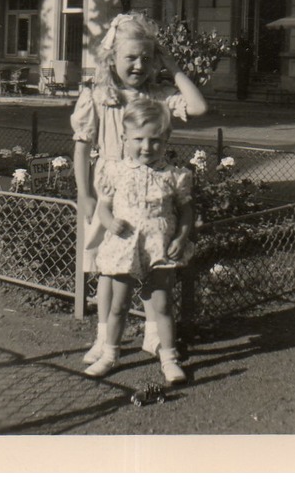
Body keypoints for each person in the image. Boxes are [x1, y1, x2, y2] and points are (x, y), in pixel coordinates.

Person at [72, 11, 207, 365]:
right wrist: (85, 194)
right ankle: (104, 337)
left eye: (146, 58)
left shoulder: (160, 96)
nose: (138, 65)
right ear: (111, 57)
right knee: (108, 266)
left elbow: (198, 106)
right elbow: (82, 147)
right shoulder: (99, 95)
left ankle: (153, 333)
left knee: (154, 259)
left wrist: (171, 65)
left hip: (150, 193)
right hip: (111, 193)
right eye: (130, 57)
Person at [83, 96, 194, 384]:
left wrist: (182, 237)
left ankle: (169, 358)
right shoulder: (115, 171)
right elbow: (103, 206)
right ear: (125, 138)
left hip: (159, 248)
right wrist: (109, 222)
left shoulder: (173, 176)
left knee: (162, 305)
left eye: (155, 140)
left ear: (167, 138)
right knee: (118, 306)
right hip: (124, 247)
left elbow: (186, 211)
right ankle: (110, 354)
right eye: (139, 139)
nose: (147, 147)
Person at [234, 33, 253, 100]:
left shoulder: (246, 45)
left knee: (244, 81)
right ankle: (241, 96)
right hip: (242, 65)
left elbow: (249, 54)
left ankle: (243, 95)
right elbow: (240, 54)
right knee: (242, 81)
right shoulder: (240, 45)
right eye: (244, 37)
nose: (245, 38)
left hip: (244, 65)